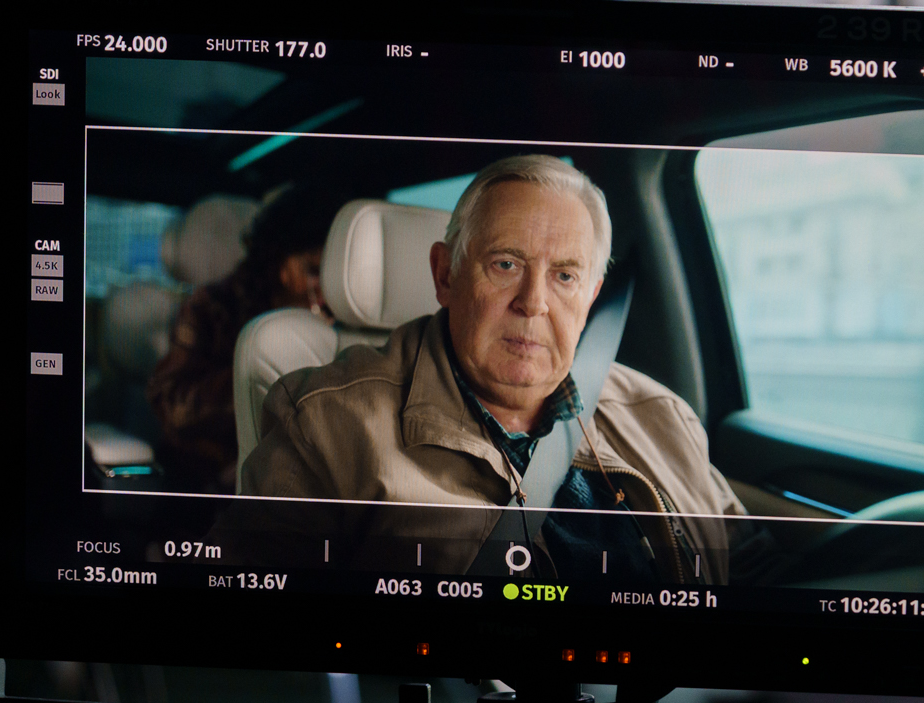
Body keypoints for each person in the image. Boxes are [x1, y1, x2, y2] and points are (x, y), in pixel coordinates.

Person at [242, 155, 742, 581]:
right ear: (445, 275)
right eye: (506, 264)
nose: (534, 302)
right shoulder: (326, 424)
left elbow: (751, 567)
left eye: (565, 276)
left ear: (590, 297)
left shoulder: (661, 415)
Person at [146, 185, 337, 490]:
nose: (323, 289)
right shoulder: (213, 306)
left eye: (330, 274)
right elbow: (173, 407)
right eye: (312, 271)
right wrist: (263, 376)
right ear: (280, 261)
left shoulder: (339, 318)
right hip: (206, 474)